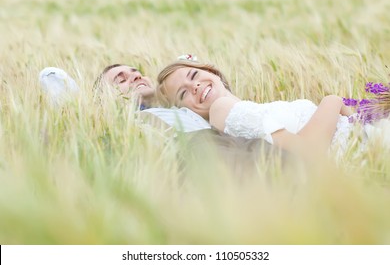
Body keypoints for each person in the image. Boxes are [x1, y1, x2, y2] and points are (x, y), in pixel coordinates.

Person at [38, 63, 285, 177]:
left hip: (229, 141)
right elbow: (51, 79)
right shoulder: (115, 126)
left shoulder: (185, 103)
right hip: (187, 154)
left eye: (136, 72)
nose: (134, 77)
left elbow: (222, 94)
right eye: (121, 80)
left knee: (286, 165)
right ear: (103, 100)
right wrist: (92, 108)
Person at [156, 59, 389, 159]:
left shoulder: (247, 109)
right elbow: (305, 151)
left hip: (369, 139)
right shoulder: (220, 109)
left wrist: (362, 117)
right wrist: (332, 100)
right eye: (183, 93)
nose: (194, 86)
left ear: (212, 71)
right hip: (365, 150)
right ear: (186, 112)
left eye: (194, 75)